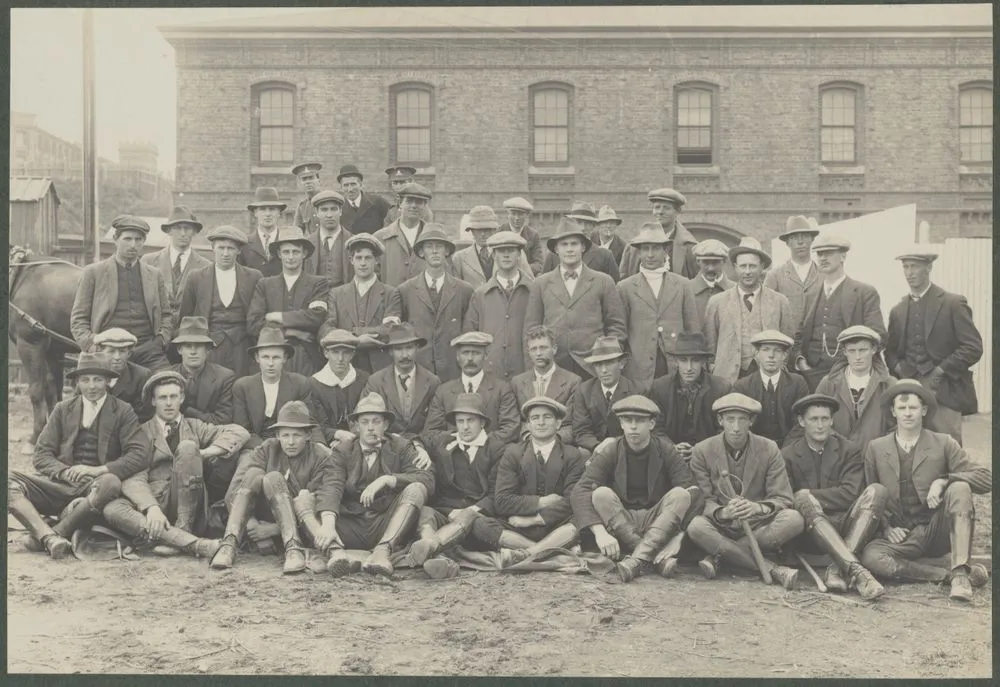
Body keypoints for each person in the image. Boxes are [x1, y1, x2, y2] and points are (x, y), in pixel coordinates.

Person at [859, 380, 991, 601]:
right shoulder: (877, 448)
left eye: (913, 407)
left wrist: (944, 481)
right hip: (902, 537)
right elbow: (871, 493)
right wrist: (887, 526)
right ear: (893, 411)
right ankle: (945, 574)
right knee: (872, 557)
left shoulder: (943, 443)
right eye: (902, 408)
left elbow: (986, 478)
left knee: (959, 487)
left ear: (924, 410)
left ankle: (960, 575)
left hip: (937, 530)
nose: (908, 413)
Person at [8, 353, 146, 559]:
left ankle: (55, 534)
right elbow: (41, 454)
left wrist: (99, 470)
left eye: (98, 379)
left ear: (109, 381)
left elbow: (140, 453)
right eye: (85, 380)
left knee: (111, 482)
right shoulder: (62, 409)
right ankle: (48, 537)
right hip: (59, 485)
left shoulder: (123, 411)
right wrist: (63, 472)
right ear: (77, 382)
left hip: (96, 488)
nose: (91, 386)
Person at [102, 370, 248, 558]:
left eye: (173, 396)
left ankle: (182, 529)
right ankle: (190, 543)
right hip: (157, 502)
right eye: (162, 398)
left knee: (188, 447)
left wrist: (202, 453)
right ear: (153, 401)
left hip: (192, 504)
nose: (169, 403)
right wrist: (151, 507)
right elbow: (134, 476)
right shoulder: (141, 432)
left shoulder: (195, 426)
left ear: (182, 398)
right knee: (112, 509)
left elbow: (239, 432)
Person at [571, 395, 700, 583]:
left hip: (658, 519)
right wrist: (600, 533)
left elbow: (693, 490)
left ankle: (636, 560)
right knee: (601, 494)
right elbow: (580, 491)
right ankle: (652, 559)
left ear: (652, 424)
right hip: (622, 518)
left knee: (681, 495)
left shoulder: (665, 449)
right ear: (621, 424)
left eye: (639, 421)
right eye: (627, 420)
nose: (633, 426)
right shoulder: (612, 450)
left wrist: (680, 536)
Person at [686, 393, 804, 588]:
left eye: (742, 420)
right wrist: (723, 512)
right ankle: (772, 568)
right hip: (720, 526)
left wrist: (757, 508)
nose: (736, 427)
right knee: (696, 527)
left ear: (752, 421)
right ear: (720, 420)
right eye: (730, 419)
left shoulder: (769, 448)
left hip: (757, 527)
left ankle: (721, 555)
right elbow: (702, 500)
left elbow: (782, 497)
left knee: (794, 520)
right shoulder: (702, 450)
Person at [210, 400, 337, 574]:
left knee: (274, 477)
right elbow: (234, 490)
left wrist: (271, 530)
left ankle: (293, 547)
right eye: (285, 435)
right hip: (260, 518)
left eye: (297, 435)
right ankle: (229, 543)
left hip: (299, 528)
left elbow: (314, 506)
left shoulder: (321, 457)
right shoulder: (268, 448)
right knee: (254, 473)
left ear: (308, 435)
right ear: (277, 435)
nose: (290, 442)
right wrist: (251, 524)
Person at [781, 394, 886, 600]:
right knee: (801, 499)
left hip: (847, 529)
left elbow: (849, 494)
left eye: (825, 419)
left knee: (878, 491)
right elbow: (787, 499)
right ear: (802, 422)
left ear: (832, 421)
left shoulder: (849, 450)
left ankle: (837, 567)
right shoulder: (787, 454)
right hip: (809, 534)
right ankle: (859, 573)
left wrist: (810, 494)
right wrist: (807, 499)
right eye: (813, 419)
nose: (820, 425)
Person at [323, 393, 435, 578]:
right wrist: (328, 523)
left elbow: (427, 479)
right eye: (365, 422)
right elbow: (331, 485)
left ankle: (382, 552)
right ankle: (337, 553)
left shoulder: (400, 446)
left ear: (386, 425)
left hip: (387, 523)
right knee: (306, 500)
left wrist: (388, 480)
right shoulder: (343, 450)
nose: (370, 428)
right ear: (356, 426)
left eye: (376, 421)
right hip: (352, 524)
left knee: (416, 488)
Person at [885, 251, 983, 445]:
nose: (909, 273)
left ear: (928, 268)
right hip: (910, 390)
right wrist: (900, 370)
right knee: (910, 446)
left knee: (948, 447)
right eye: (905, 267)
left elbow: (973, 346)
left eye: (915, 266)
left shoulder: (952, 303)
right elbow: (890, 352)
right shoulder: (898, 310)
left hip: (945, 390)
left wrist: (941, 370)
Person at [409, 394, 510, 578]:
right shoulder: (444, 441)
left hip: (479, 518)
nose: (464, 427)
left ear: (482, 423)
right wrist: (420, 449)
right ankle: (436, 555)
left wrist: (468, 511)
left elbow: (496, 494)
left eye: (470, 420)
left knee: (470, 518)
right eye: (460, 421)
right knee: (425, 513)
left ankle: (433, 548)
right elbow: (417, 437)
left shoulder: (497, 449)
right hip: (447, 513)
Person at [525, 217, 627, 380]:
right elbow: (531, 328)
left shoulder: (603, 281)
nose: (570, 249)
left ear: (583, 247)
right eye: (564, 245)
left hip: (592, 367)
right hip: (554, 366)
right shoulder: (541, 284)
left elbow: (616, 325)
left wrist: (606, 357)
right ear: (556, 249)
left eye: (574, 244)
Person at [70, 215, 173, 370]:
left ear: (144, 241)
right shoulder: (93, 273)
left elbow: (166, 315)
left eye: (138, 239)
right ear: (115, 239)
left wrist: (160, 340)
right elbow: (78, 319)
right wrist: (93, 345)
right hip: (107, 350)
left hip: (148, 350)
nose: (133, 244)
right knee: (97, 389)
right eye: (127, 239)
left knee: (169, 385)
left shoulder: (154, 274)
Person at [491, 397, 587, 558]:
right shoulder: (513, 454)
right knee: (480, 524)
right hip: (519, 526)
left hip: (557, 524)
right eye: (535, 418)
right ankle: (555, 550)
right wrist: (541, 502)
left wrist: (536, 519)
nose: (541, 422)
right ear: (528, 425)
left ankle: (527, 554)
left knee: (582, 519)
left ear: (558, 424)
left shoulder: (572, 455)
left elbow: (573, 500)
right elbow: (501, 501)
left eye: (547, 417)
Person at [791, 233, 885, 391]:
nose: (823, 258)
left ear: (843, 256)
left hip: (850, 373)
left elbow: (878, 335)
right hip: (812, 372)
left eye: (829, 253)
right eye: (820, 254)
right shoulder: (811, 294)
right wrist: (801, 361)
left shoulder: (864, 292)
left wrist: (854, 362)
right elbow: (799, 334)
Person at [618, 222, 701, 385]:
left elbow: (693, 329)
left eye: (655, 248)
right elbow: (620, 331)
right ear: (639, 252)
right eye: (645, 249)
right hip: (638, 368)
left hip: (674, 365)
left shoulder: (683, 284)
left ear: (665, 251)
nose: (650, 254)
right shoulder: (625, 287)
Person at [704, 237, 794, 383]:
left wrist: (780, 367)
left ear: (761, 267)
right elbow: (710, 345)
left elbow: (788, 342)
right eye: (743, 266)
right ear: (735, 267)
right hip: (728, 377)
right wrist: (714, 368)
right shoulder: (717, 302)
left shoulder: (780, 302)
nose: (747, 271)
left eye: (752, 266)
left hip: (768, 375)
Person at [178, 225, 263, 377]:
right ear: (213, 248)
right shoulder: (196, 277)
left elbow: (259, 315)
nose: (225, 253)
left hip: (242, 345)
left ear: (238, 250)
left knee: (240, 384)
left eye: (230, 248)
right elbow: (186, 315)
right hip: (210, 344)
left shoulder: (254, 277)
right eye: (221, 248)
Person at [247, 226, 330, 377]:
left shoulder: (318, 283)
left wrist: (278, 317)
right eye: (286, 252)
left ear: (304, 253)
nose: (291, 257)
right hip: (273, 354)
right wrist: (293, 332)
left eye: (296, 252)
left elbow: (316, 317)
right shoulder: (265, 284)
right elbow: (254, 324)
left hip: (307, 356)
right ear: (279, 254)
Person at [398, 226, 474, 382]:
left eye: (439, 246)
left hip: (452, 370)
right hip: (418, 369)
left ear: (446, 251)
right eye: (429, 246)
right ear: (421, 253)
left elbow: (468, 331)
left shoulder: (464, 290)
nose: (434, 251)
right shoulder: (406, 290)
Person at [232, 328, 324, 452]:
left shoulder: (299, 384)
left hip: (292, 446)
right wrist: (268, 448)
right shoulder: (243, 386)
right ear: (257, 358)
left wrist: (320, 444)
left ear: (284, 358)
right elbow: (242, 429)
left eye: (276, 357)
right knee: (247, 470)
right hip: (255, 448)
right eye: (265, 357)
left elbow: (310, 420)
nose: (270, 363)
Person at [324, 232, 402, 374]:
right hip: (346, 366)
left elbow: (390, 329)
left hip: (380, 366)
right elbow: (327, 329)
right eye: (358, 258)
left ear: (377, 260)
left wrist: (354, 332)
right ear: (351, 260)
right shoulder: (337, 294)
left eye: (368, 258)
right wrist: (356, 340)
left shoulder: (391, 293)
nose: (363, 263)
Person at [424, 332, 520, 445]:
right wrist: (458, 441)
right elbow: (431, 431)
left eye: (476, 353)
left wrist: (482, 442)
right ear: (457, 357)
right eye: (465, 353)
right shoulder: (443, 391)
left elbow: (511, 428)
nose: (470, 358)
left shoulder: (502, 389)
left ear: (486, 355)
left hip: (491, 456)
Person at [646, 332, 731, 459]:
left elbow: (724, 429)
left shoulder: (721, 388)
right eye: (683, 360)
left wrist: (701, 450)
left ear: (703, 361)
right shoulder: (660, 388)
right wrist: (671, 449)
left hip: (710, 456)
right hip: (669, 457)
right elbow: (655, 427)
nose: (689, 368)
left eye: (695, 360)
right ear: (676, 362)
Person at [463, 231, 534, 381]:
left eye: (511, 250)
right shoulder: (480, 294)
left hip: (526, 373)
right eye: (501, 251)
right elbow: (470, 336)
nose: (506, 255)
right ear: (494, 255)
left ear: (519, 254)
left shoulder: (534, 291)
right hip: (490, 374)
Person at [815, 325, 896, 451]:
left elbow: (897, 424)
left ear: (873, 349)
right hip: (837, 456)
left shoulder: (889, 384)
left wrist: (880, 449)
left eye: (863, 350)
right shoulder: (829, 383)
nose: (857, 357)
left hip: (877, 456)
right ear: (845, 352)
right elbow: (816, 420)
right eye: (852, 351)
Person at [361, 323, 442, 438]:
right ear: (390, 351)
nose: (404, 355)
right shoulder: (376, 382)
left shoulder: (432, 382)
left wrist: (419, 444)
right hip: (385, 445)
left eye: (409, 348)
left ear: (417, 348)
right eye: (398, 349)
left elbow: (434, 425)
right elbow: (364, 421)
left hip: (421, 445)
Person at [732, 330, 809, 446]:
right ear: (756, 354)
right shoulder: (742, 386)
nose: (771, 356)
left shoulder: (797, 383)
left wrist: (788, 449)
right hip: (753, 447)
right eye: (765, 349)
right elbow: (739, 425)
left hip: (789, 447)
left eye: (777, 351)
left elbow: (802, 422)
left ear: (784, 355)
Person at [511, 326, 580, 444]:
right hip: (527, 445)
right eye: (533, 349)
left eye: (543, 348)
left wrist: (549, 441)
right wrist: (530, 439)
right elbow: (517, 421)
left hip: (559, 445)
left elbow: (570, 424)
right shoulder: (517, 382)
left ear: (554, 349)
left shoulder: (572, 381)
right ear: (528, 352)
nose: (538, 353)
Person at [570, 337, 639, 453]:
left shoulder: (636, 391)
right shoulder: (584, 391)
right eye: (598, 364)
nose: (603, 370)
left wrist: (615, 443)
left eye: (609, 362)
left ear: (621, 364)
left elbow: (639, 429)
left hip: (627, 450)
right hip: (595, 450)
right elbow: (581, 431)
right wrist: (597, 446)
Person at [141, 206, 211, 314]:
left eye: (187, 228)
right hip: (157, 328)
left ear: (193, 231)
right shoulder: (148, 261)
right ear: (169, 231)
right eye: (178, 228)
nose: (183, 233)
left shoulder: (206, 267)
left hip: (189, 328)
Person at [168, 316, 236, 425]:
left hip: (211, 434)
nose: (193, 352)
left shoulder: (224, 378)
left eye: (198, 346)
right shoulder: (166, 376)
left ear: (208, 349)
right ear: (179, 350)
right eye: (188, 346)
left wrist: (187, 411)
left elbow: (223, 420)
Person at [619, 188, 699, 280]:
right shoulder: (633, 247)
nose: (660, 212)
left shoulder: (690, 248)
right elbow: (623, 281)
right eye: (657, 207)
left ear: (677, 212)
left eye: (666, 208)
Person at [309, 329, 370, 447]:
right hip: (326, 445)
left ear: (353, 354)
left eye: (346, 352)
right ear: (326, 353)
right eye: (335, 352)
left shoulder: (364, 379)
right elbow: (315, 423)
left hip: (361, 442)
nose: (340, 358)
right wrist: (335, 434)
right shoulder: (313, 384)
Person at [763, 216, 821, 331]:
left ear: (812, 239)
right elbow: (766, 312)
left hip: (817, 343)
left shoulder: (824, 274)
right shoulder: (774, 276)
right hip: (786, 342)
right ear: (787, 242)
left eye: (805, 236)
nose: (800, 242)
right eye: (794, 238)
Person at [452, 206, 532, 287]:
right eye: (478, 229)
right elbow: (456, 290)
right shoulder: (459, 258)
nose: (483, 234)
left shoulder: (515, 253)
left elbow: (529, 282)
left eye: (487, 229)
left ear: (495, 230)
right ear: (472, 231)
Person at [375, 182, 435, 287]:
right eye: (409, 201)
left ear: (425, 206)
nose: (413, 206)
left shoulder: (433, 237)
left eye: (419, 202)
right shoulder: (380, 238)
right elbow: (373, 276)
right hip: (391, 300)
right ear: (400, 204)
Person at [541, 202, 620, 281]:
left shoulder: (605, 256)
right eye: (578, 222)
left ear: (593, 226)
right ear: (570, 223)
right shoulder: (553, 255)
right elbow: (545, 285)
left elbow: (613, 287)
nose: (583, 227)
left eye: (587, 223)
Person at [92, 328, 153, 422]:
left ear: (129, 353)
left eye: (122, 351)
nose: (117, 357)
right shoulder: (90, 374)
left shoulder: (141, 376)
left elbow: (143, 416)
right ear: (100, 352)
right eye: (111, 351)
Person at [302, 189, 353, 288]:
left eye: (333, 209)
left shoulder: (353, 241)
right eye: (324, 210)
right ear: (317, 212)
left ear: (340, 211)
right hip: (314, 297)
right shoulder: (306, 243)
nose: (329, 215)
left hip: (345, 298)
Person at [239, 187, 288, 277]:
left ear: (279, 213)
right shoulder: (244, 244)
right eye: (262, 209)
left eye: (272, 209)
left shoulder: (287, 240)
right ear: (255, 213)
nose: (268, 214)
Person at [689, 239, 735, 324]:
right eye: (705, 262)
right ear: (698, 261)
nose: (710, 268)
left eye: (715, 262)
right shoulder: (686, 289)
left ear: (724, 261)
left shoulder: (735, 290)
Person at [337, 164, 392, 233]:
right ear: (341, 188)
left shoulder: (378, 202)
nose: (350, 189)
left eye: (353, 184)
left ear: (360, 185)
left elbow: (392, 221)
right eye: (346, 185)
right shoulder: (338, 207)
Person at [499, 197, 545, 275]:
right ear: (508, 214)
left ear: (526, 215)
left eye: (520, 214)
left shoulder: (533, 235)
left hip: (526, 278)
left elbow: (539, 263)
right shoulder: (499, 233)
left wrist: (520, 271)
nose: (517, 218)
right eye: (513, 214)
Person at [291, 161, 324, 234]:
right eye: (304, 179)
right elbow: (296, 232)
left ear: (318, 180)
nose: (308, 182)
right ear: (300, 183)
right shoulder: (302, 207)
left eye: (311, 178)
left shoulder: (329, 200)